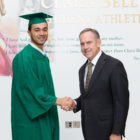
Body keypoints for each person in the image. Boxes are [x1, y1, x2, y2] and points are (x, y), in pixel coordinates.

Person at [11, 12, 74, 140]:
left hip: (45, 115)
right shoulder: (24, 58)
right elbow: (32, 92)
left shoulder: (42, 57)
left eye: (45, 29)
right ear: (29, 33)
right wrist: (60, 101)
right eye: (37, 30)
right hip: (30, 123)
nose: (41, 33)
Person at [63, 28, 129, 140]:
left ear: (98, 42)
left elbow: (121, 102)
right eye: (82, 44)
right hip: (88, 131)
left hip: (109, 133)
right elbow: (88, 97)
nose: (85, 47)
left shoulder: (114, 66)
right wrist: (74, 103)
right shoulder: (82, 69)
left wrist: (117, 132)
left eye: (89, 42)